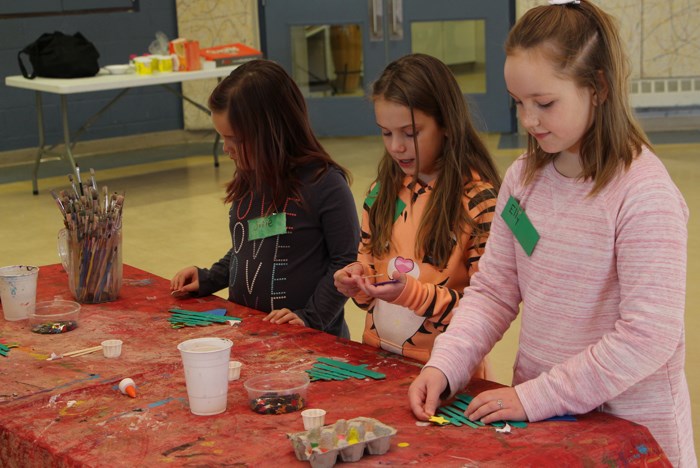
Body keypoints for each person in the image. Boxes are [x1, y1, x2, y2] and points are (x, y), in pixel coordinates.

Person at [408, 1, 695, 465]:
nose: (529, 120)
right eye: (518, 103)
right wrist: (447, 362)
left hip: (627, 433)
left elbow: (648, 336)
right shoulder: (524, 179)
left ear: (597, 87)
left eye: (544, 103)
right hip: (545, 421)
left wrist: (538, 396)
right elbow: (495, 290)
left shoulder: (643, 192)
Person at [333, 53, 501, 368]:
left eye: (410, 134)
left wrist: (413, 295)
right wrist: (356, 283)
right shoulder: (379, 194)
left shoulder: (478, 203)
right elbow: (369, 287)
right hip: (377, 361)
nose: (396, 146)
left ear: (447, 125)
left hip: (447, 370)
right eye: (386, 132)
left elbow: (486, 311)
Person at [171, 59, 360, 339]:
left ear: (272, 132)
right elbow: (250, 242)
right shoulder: (252, 174)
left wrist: (309, 318)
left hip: (309, 342)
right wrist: (210, 277)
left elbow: (345, 262)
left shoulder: (325, 183)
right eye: (222, 137)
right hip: (252, 333)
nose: (226, 149)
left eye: (235, 139)